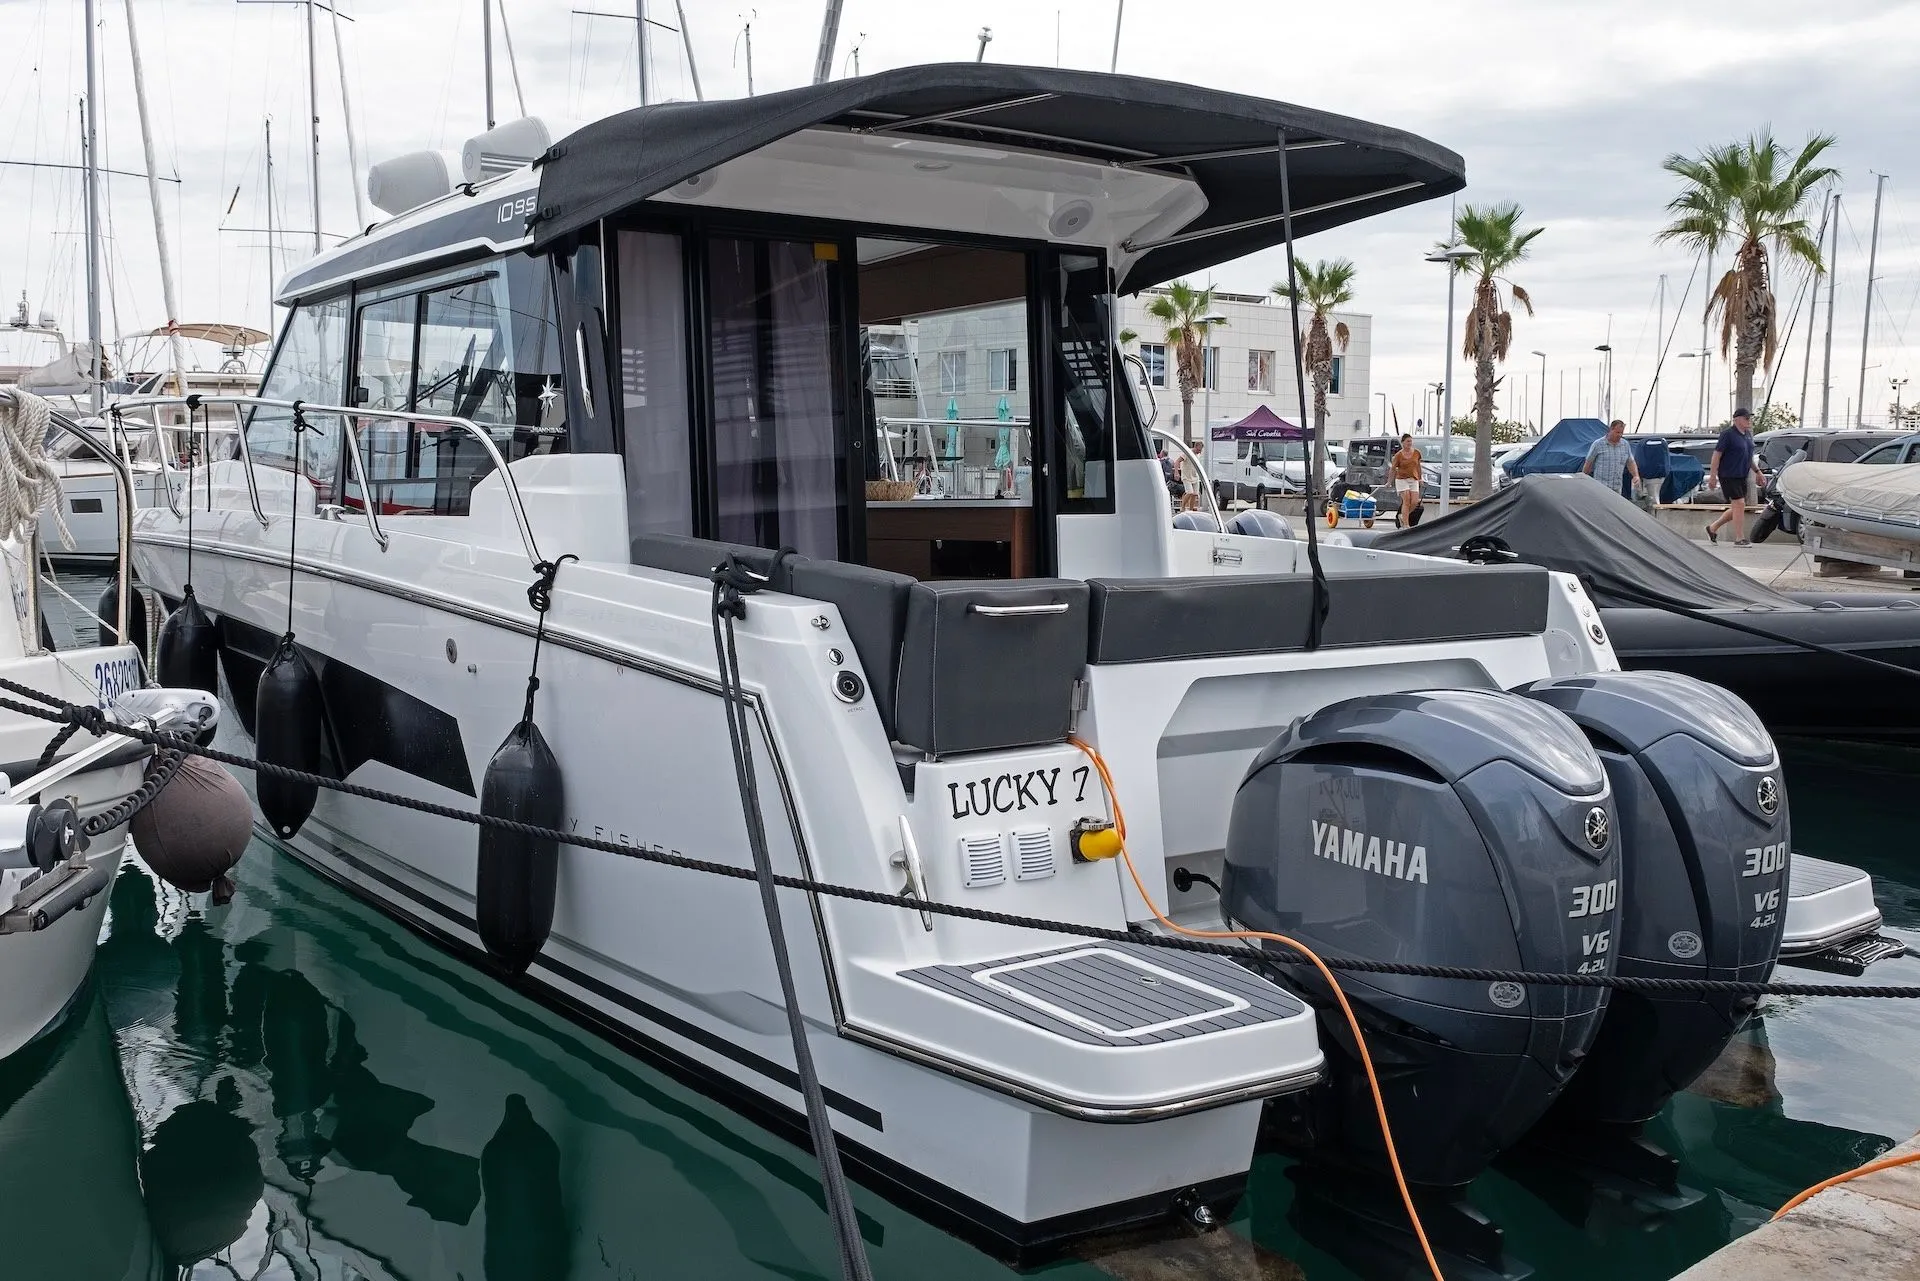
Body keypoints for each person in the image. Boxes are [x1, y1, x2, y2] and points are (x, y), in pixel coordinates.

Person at [1706, 408, 1761, 546]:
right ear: (1737, 419)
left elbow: (1748, 457)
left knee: (1739, 507)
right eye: (1746, 418)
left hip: (1742, 475)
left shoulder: (1747, 435)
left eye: (1749, 418)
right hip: (1728, 474)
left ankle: (1712, 528)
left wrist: (1758, 472)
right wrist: (1713, 476)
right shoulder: (1728, 434)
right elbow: (1716, 455)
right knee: (1739, 504)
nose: (1749, 421)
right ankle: (1739, 538)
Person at [1580, 419, 1641, 500]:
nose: (1620, 435)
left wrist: (1636, 475)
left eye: (1621, 433)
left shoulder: (1625, 445)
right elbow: (1588, 463)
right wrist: (1583, 479)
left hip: (1617, 488)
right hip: (1601, 487)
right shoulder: (1598, 444)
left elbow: (1630, 462)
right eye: (1617, 432)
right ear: (1611, 430)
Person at [1388, 433, 1422, 525]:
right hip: (1402, 479)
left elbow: (1418, 466)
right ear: (1402, 443)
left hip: (1413, 479)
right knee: (1406, 500)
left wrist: (1420, 478)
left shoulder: (1417, 453)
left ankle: (1403, 516)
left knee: (1414, 501)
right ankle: (1406, 525)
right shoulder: (1398, 455)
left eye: (1410, 441)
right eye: (1407, 441)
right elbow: (1393, 469)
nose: (1409, 443)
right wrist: (1389, 482)